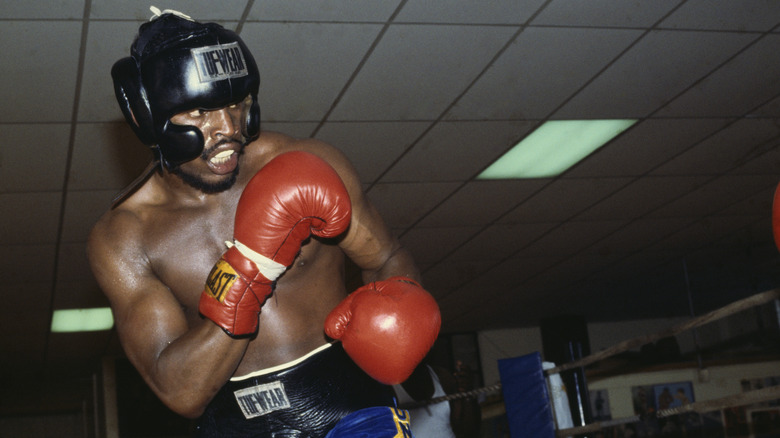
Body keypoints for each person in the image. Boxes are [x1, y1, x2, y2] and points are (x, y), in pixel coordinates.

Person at [87, 8, 440, 438]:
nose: (227, 129)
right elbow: (180, 391)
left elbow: (387, 258)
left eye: (236, 105)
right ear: (148, 116)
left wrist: (396, 326)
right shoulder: (126, 236)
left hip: (355, 406)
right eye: (199, 112)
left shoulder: (309, 164)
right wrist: (248, 271)